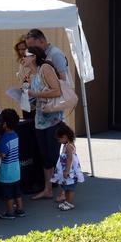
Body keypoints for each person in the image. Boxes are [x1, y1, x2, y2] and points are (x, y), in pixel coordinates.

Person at [22, 45, 64, 200]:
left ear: (33, 56)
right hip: (40, 119)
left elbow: (57, 90)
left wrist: (35, 93)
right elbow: (34, 98)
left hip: (52, 119)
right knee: (44, 156)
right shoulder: (32, 74)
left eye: (25, 55)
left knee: (51, 156)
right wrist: (26, 97)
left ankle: (60, 189)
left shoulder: (45, 68)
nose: (23, 58)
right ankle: (48, 188)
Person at [0, 108, 25, 220]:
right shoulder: (15, 135)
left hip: (7, 171)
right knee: (17, 192)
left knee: (8, 194)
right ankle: (20, 209)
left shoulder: (5, 138)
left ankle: (10, 212)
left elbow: (3, 154)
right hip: (16, 170)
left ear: (5, 124)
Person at [51, 123, 84, 211]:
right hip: (67, 170)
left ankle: (69, 203)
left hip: (70, 172)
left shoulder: (69, 146)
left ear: (65, 136)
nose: (58, 141)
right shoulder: (67, 144)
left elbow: (69, 159)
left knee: (70, 188)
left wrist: (67, 171)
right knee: (66, 187)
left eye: (59, 139)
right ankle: (67, 201)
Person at [13, 37, 34, 120]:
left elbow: (29, 79)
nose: (21, 51)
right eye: (19, 49)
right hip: (25, 97)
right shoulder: (22, 62)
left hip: (33, 98)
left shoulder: (33, 62)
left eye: (24, 48)